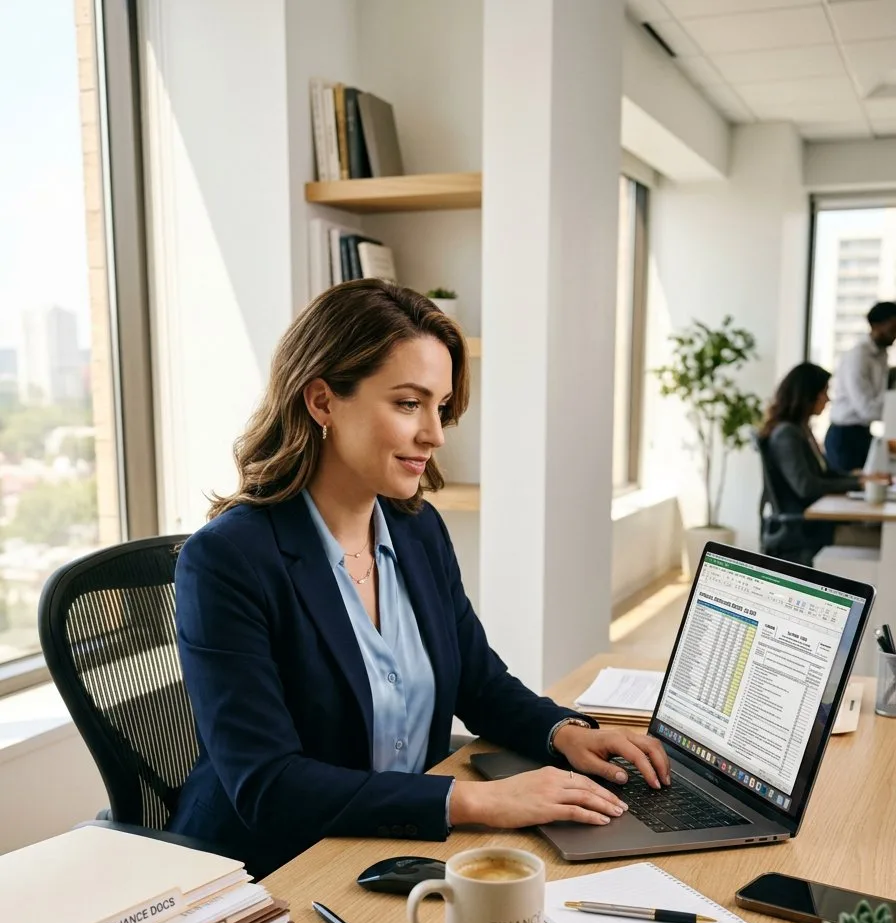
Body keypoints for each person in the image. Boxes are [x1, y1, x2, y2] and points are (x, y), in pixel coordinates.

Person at [168, 279, 669, 878]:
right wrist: (478, 801)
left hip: (395, 848)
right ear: (322, 402)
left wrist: (563, 732)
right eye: (409, 404)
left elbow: (478, 683)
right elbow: (268, 784)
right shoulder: (227, 560)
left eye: (441, 407)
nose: (434, 433)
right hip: (269, 870)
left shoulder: (416, 529)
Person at [758, 362, 888, 562]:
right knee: (885, 540)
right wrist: (859, 483)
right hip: (806, 530)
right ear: (808, 395)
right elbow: (806, 486)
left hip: (815, 525)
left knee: (882, 535)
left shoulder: (800, 430)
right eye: (824, 392)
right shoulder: (787, 434)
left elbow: (822, 473)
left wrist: (860, 478)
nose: (828, 399)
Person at [824, 300, 896, 472]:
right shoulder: (858, 357)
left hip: (863, 433)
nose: (895, 334)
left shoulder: (881, 356)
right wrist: (890, 408)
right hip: (844, 436)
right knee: (850, 486)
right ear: (876, 325)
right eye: (893, 328)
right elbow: (867, 409)